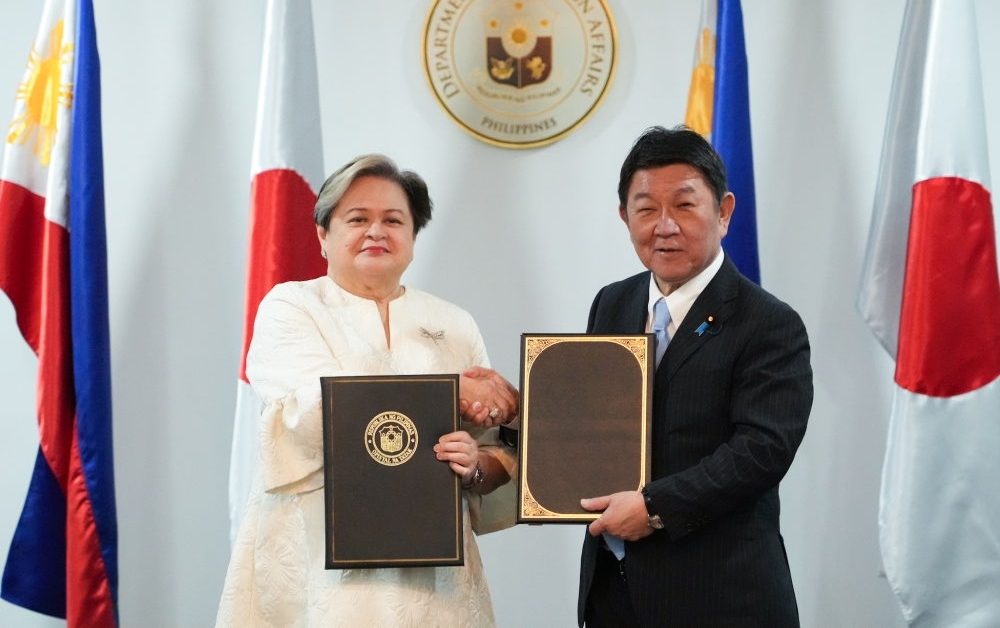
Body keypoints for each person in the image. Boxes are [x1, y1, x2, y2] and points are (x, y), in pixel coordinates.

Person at [217, 155, 519, 628]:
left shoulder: (454, 324)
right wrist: (450, 390)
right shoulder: (291, 306)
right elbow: (317, 413)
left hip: (434, 575)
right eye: (358, 219)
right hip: (316, 567)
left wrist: (476, 465)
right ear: (323, 235)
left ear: (414, 237)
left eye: (393, 220)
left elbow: (498, 454)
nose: (376, 232)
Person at [577, 126, 813, 628]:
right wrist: (517, 417)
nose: (665, 226)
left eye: (685, 206)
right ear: (624, 217)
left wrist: (654, 507)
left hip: (720, 595)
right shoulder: (612, 302)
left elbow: (762, 449)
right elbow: (591, 421)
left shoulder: (769, 322)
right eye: (645, 209)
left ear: (724, 212)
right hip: (612, 594)